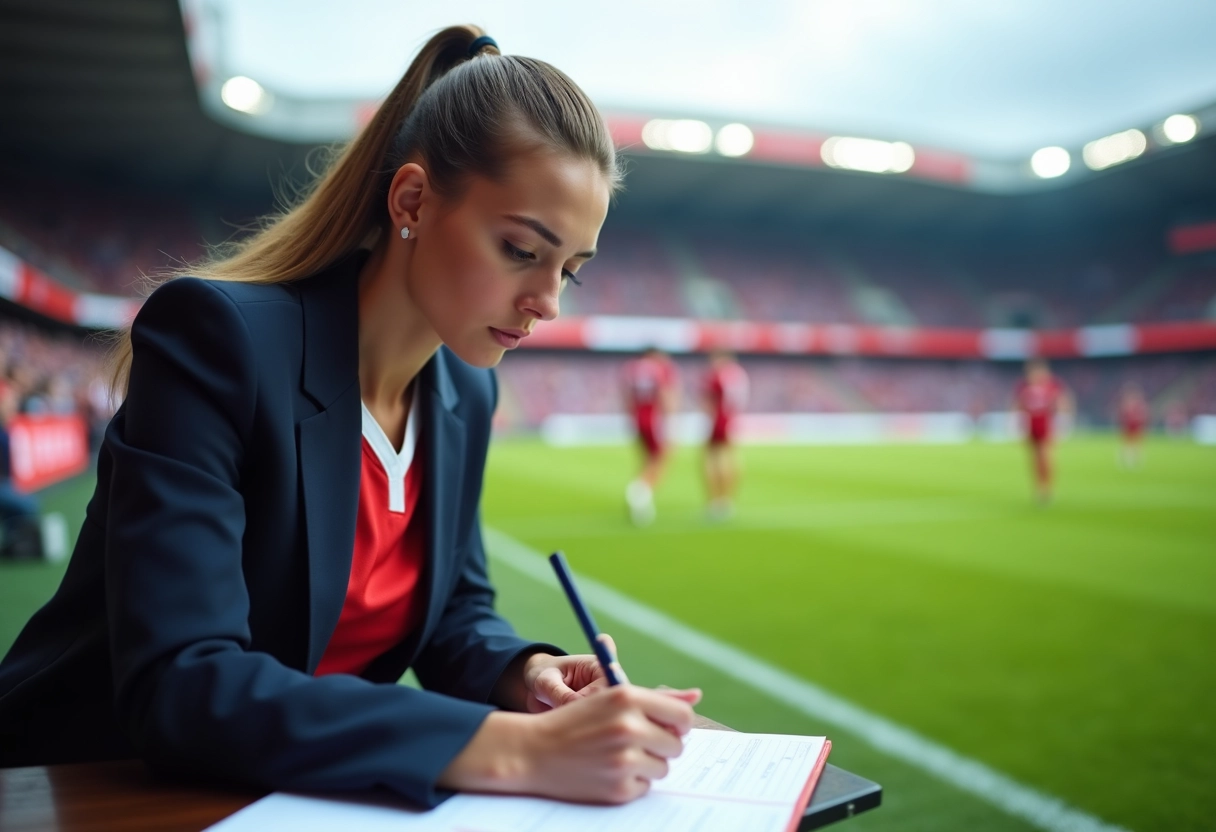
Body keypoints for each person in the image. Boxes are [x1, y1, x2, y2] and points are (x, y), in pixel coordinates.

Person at [0, 27, 701, 807]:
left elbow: (453, 615)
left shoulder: (467, 393)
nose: (548, 301)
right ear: (411, 200)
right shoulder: (216, 340)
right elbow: (183, 682)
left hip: (285, 799)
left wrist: (526, 676)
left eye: (570, 268)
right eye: (518, 249)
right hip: (80, 790)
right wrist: (510, 749)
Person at [621, 347, 679, 525]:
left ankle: (641, 494)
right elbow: (665, 393)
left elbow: (627, 397)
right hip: (655, 418)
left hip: (638, 417)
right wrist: (671, 422)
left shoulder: (632, 369)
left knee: (647, 459)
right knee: (661, 458)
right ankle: (640, 492)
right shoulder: (659, 368)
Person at [1014, 358, 1072, 504]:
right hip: (1031, 425)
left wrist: (1063, 422)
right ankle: (1039, 487)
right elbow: (1018, 405)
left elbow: (1062, 402)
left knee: (1046, 457)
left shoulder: (1052, 385)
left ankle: (1047, 488)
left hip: (1046, 425)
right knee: (1034, 459)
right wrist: (1018, 425)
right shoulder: (1024, 386)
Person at [701, 350, 748, 519]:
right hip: (733, 419)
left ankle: (716, 501)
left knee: (713, 460)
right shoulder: (739, 374)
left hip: (719, 420)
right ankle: (727, 501)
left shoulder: (717, 375)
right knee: (731, 458)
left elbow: (708, 400)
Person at [1116, 382, 1149, 468]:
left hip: (1136, 426)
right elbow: (1123, 416)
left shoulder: (1139, 405)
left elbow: (1144, 415)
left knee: (1136, 444)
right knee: (1128, 444)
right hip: (1129, 426)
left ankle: (1134, 460)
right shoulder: (1127, 404)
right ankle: (1127, 460)